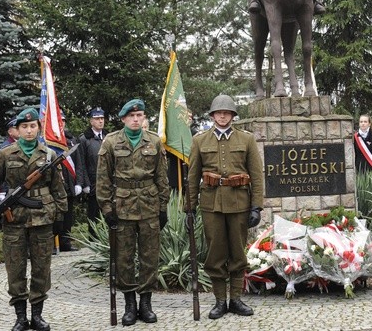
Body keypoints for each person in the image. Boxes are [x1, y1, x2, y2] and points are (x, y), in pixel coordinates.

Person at [0, 107, 68, 331]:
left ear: (38, 128)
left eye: (32, 126)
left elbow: (59, 190)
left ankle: (37, 315)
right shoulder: (6, 154)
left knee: (41, 269)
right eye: (24, 127)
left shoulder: (48, 155)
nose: (29, 131)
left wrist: (59, 217)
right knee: (15, 269)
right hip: (14, 220)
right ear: (17, 130)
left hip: (42, 220)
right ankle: (20, 317)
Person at [188, 95, 264, 320]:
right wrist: (189, 209)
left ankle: (236, 299)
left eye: (227, 112)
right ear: (212, 115)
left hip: (239, 203)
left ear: (232, 115)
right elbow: (192, 178)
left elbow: (257, 176)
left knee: (238, 252)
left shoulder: (247, 139)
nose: (222, 115)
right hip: (211, 205)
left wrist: (256, 207)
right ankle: (220, 301)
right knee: (216, 253)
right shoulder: (200, 141)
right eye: (218, 113)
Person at [97, 99, 170, 326]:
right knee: (124, 258)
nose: (136, 119)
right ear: (123, 119)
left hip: (149, 206)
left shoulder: (154, 141)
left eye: (140, 115)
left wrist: (163, 207)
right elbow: (103, 179)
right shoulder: (111, 142)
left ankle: (146, 303)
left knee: (149, 257)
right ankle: (129, 304)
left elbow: (161, 177)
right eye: (132, 116)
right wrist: (107, 209)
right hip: (122, 208)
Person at [56, 113, 85, 253]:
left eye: (63, 121)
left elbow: (79, 163)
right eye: (59, 121)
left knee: (68, 217)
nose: (61, 123)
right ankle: (52, 243)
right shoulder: (49, 140)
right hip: (56, 186)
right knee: (56, 217)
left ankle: (65, 242)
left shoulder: (71, 139)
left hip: (70, 184)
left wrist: (79, 182)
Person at [77, 107, 105, 239]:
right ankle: (93, 238)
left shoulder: (107, 137)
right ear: (91, 121)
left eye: (102, 118)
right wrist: (85, 183)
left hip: (107, 180)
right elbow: (81, 163)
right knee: (93, 212)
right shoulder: (84, 139)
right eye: (97, 118)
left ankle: (106, 236)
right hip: (93, 181)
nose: (100, 121)